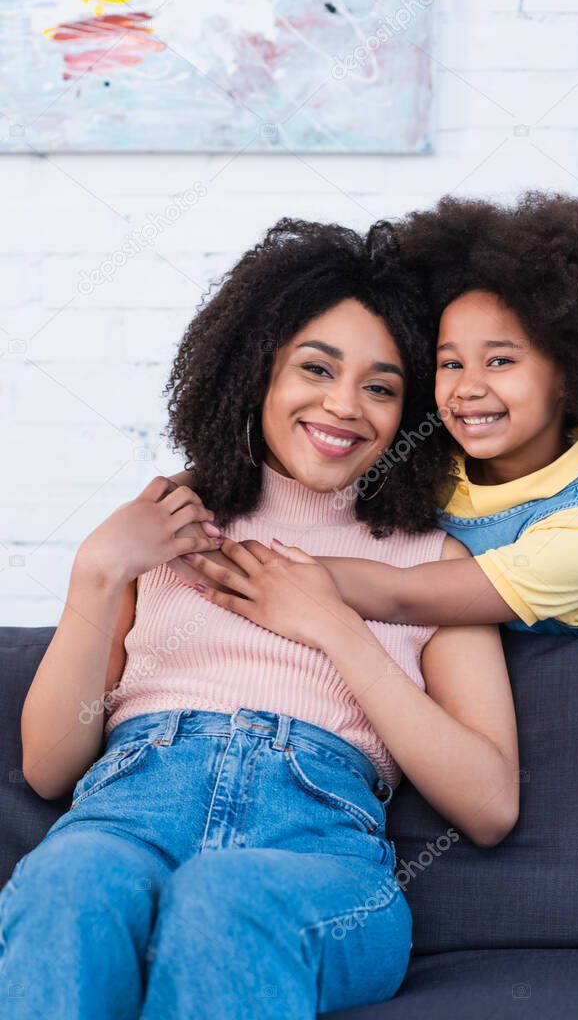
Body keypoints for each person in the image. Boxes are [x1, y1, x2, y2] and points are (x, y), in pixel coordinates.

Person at [2, 218, 519, 1020]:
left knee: (223, 894)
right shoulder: (165, 529)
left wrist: (334, 624)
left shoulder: (434, 566)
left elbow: (489, 805)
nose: (344, 406)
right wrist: (99, 573)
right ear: (255, 373)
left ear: (411, 410)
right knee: (69, 880)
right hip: (131, 809)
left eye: (380, 387)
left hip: (314, 857)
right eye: (315, 368)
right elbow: (47, 769)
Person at [249, 193, 578, 637]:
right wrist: (182, 493)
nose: (468, 388)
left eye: (500, 362)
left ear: (573, 373)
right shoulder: (433, 453)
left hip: (557, 704)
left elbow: (402, 594)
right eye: (451, 364)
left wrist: (247, 562)